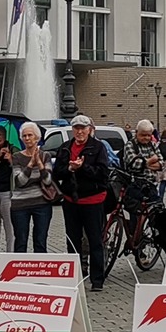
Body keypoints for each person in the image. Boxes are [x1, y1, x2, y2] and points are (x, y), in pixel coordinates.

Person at [51, 115, 114, 287]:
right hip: (71, 200)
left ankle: (97, 280)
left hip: (93, 200)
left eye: (83, 128)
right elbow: (56, 173)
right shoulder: (65, 148)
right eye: (76, 128)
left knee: (95, 240)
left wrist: (82, 168)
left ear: (89, 130)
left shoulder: (98, 147)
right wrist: (69, 168)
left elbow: (102, 174)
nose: (79, 132)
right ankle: (75, 277)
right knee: (72, 240)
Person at [9, 122, 55, 253]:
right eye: (24, 136)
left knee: (40, 241)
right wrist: (30, 165)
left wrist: (39, 163)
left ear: (37, 138)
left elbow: (47, 181)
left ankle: (40, 270)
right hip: (20, 204)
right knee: (21, 241)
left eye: (30, 135)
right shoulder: (17, 157)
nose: (27, 138)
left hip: (42, 203)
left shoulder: (46, 156)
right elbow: (20, 182)